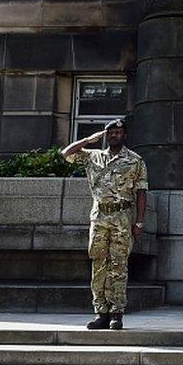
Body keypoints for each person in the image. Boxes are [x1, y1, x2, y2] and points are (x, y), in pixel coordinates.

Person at [62, 118, 147, 331]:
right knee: (99, 264)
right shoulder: (93, 157)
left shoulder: (135, 161)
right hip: (99, 217)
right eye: (111, 132)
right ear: (105, 135)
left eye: (118, 132)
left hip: (122, 217)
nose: (114, 135)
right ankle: (100, 312)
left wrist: (139, 221)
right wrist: (89, 139)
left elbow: (141, 192)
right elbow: (66, 154)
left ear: (125, 135)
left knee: (119, 265)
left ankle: (116, 314)